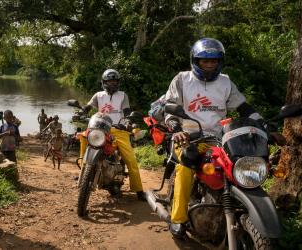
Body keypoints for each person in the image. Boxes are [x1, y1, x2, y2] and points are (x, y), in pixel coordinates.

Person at [162, 38, 264, 237]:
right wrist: (176, 129)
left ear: (220, 62)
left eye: (214, 61)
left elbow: (243, 107)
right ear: (195, 61)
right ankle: (178, 218)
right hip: (189, 138)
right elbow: (170, 107)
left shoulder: (225, 81)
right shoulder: (182, 79)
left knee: (239, 165)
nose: (210, 65)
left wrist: (263, 123)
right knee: (186, 165)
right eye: (204, 61)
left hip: (220, 139)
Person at [81, 69, 145, 201]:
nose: (112, 84)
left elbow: (127, 112)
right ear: (104, 82)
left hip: (118, 130)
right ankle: (84, 168)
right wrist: (81, 111)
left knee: (131, 160)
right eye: (109, 81)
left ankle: (138, 190)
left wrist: (128, 121)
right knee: (82, 137)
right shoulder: (98, 95)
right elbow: (87, 107)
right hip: (100, 128)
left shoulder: (123, 95)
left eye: (115, 81)